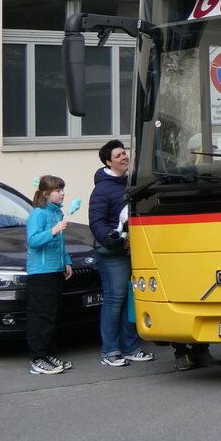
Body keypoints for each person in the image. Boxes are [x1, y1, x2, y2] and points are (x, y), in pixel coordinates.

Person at [88, 139, 155, 367]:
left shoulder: (132, 182)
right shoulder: (102, 189)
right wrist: (118, 242)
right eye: (118, 156)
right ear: (108, 162)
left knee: (130, 300)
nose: (124, 157)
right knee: (114, 299)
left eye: (124, 153)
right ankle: (110, 351)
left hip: (133, 252)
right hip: (113, 253)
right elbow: (96, 223)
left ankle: (131, 347)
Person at [25, 175, 73, 375]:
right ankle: (38, 358)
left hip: (55, 269)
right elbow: (33, 241)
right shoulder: (39, 213)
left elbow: (60, 243)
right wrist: (53, 230)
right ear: (46, 193)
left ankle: (48, 354)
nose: (62, 193)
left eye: (62, 189)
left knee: (53, 314)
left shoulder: (57, 213)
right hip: (41, 272)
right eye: (58, 190)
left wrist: (67, 261)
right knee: (41, 316)